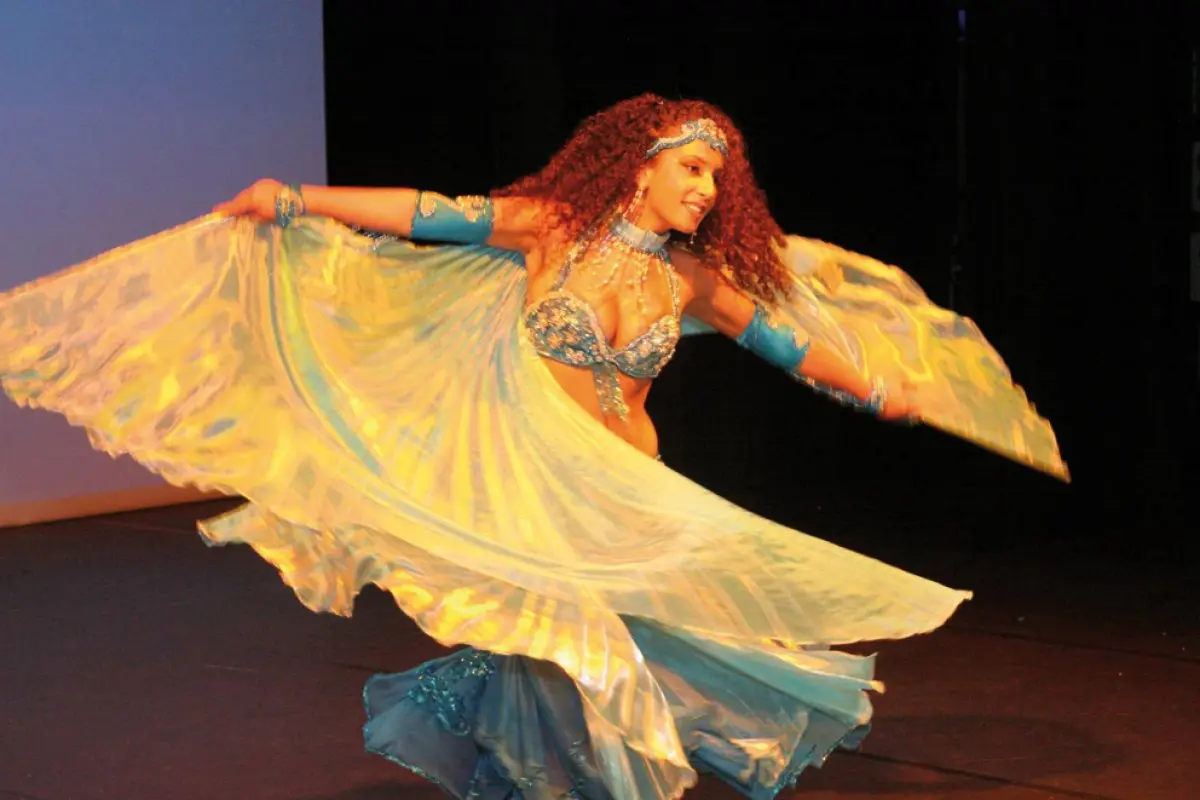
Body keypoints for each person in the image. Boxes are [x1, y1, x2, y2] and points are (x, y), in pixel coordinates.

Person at [0, 93, 1065, 799]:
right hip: (532, 477)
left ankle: (573, 766)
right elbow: (425, 214)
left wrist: (881, 387)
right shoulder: (547, 227)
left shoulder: (692, 281)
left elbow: (791, 347)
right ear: (639, 168)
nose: (705, 190)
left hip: (628, 486)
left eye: (715, 179)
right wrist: (295, 197)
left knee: (623, 641)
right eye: (690, 170)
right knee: (566, 641)